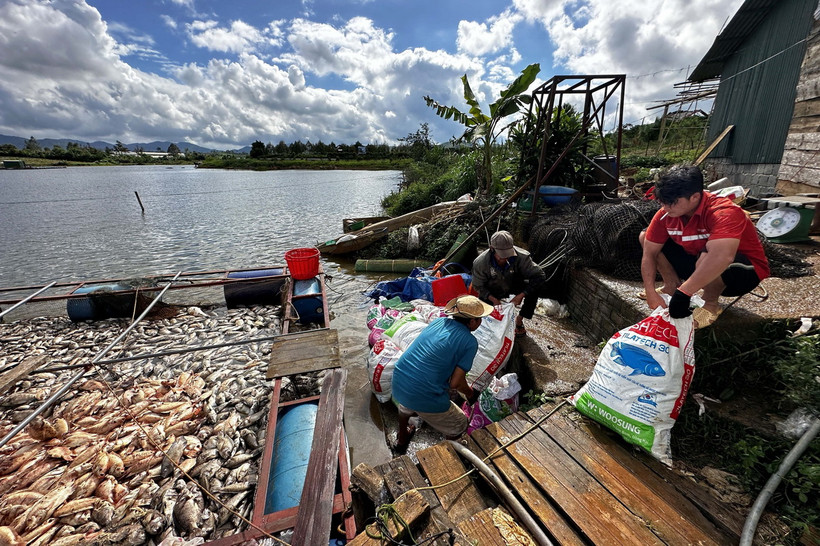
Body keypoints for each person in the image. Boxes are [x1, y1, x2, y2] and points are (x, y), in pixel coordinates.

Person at [639, 166, 769, 327]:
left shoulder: (724, 212)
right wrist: (650, 291)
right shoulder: (666, 215)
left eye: (672, 202)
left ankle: (710, 303)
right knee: (646, 237)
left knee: (708, 254)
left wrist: (684, 294)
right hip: (701, 266)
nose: (665, 208)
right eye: (663, 202)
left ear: (694, 197)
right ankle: (671, 285)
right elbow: (650, 254)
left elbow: (722, 256)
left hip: (742, 273)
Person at [391, 295, 493, 452]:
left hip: (399, 380)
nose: (480, 322)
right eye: (479, 319)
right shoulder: (470, 341)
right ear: (472, 322)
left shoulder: (439, 322)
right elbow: (456, 383)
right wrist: (470, 393)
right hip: (421, 393)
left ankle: (402, 436)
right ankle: (447, 455)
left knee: (408, 401)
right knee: (460, 424)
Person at [471, 230, 546, 337]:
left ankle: (519, 321)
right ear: (492, 249)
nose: (505, 258)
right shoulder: (481, 263)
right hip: (493, 288)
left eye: (508, 254)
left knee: (536, 287)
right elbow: (478, 286)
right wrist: (493, 299)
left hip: (513, 284)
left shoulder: (522, 257)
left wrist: (522, 295)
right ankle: (489, 325)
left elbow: (540, 276)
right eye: (501, 255)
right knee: (485, 316)